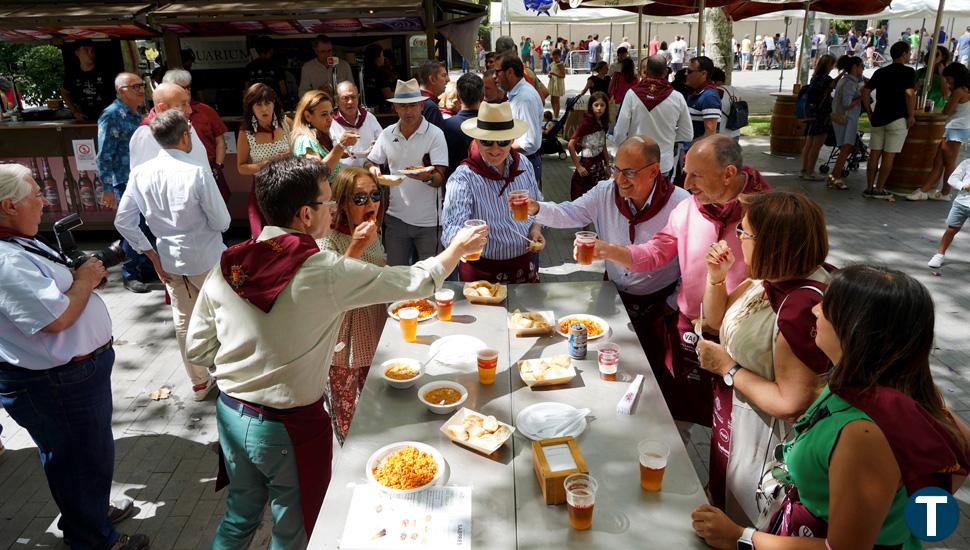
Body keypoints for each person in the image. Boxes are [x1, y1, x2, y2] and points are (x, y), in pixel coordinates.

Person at [186, 155, 488, 549]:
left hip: (230, 413)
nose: (334, 209)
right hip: (286, 426)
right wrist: (457, 249)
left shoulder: (229, 263)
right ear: (305, 214)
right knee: (295, 529)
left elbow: (198, 347)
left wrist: (248, 362)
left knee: (239, 517)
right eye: (328, 203)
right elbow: (412, 280)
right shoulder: (321, 269)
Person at [693, 265, 970, 550]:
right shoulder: (895, 389)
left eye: (826, 307)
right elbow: (960, 451)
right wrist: (901, 514)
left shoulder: (862, 433)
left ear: (856, 330)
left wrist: (739, 537)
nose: (814, 311)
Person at [0, 164, 150, 550]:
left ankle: (88, 514)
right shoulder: (6, 260)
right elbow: (58, 318)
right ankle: (94, 539)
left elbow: (55, 290)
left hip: (69, 377)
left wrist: (80, 275)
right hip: (56, 382)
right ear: (7, 205)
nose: (43, 201)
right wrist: (82, 281)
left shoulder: (18, 240)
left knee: (84, 457)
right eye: (34, 194)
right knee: (80, 461)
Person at [588, 135, 771, 431]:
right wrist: (611, 250)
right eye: (685, 172)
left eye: (696, 175)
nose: (686, 184)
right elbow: (657, 251)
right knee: (677, 418)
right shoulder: (689, 208)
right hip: (691, 330)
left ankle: (722, 476)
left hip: (744, 339)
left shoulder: (765, 213)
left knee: (735, 426)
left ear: (729, 174)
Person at [697, 191, 831, 524]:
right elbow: (715, 323)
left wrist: (728, 368)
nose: (737, 239)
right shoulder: (766, 278)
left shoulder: (801, 307)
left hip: (766, 442)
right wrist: (716, 277)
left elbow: (794, 401)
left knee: (746, 522)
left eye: (743, 232)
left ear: (773, 243)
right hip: (736, 419)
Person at [531, 136, 690, 376]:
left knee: (654, 371)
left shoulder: (680, 202)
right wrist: (536, 209)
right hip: (613, 296)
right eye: (615, 169)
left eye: (628, 172)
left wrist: (673, 302)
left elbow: (689, 263)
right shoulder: (605, 192)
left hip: (660, 304)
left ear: (654, 171)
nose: (619, 180)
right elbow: (570, 213)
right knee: (608, 362)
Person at [114, 110, 229, 401]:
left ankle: (199, 382)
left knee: (184, 321)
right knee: (226, 316)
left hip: (170, 259)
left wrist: (151, 255)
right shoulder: (196, 171)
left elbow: (123, 221)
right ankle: (228, 374)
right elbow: (222, 222)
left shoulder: (141, 173)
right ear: (185, 136)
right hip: (206, 256)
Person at [316, 166, 386, 443]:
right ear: (343, 203)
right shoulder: (328, 239)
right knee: (347, 411)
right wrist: (355, 246)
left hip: (375, 326)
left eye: (375, 195)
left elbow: (377, 266)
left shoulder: (372, 229)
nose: (370, 204)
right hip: (344, 337)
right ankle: (348, 461)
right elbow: (334, 289)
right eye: (359, 198)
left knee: (375, 400)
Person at [441, 102, 544, 283]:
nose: (495, 149)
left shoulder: (525, 165)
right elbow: (451, 229)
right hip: (482, 270)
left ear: (512, 140)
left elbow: (538, 206)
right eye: (487, 141)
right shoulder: (463, 178)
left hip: (523, 263)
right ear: (476, 140)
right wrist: (460, 244)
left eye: (503, 141)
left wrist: (536, 230)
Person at [365, 79, 448, 266]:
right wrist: (374, 171)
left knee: (430, 278)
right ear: (396, 108)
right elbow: (370, 160)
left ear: (421, 106)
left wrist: (425, 176)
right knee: (395, 277)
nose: (408, 111)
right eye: (403, 106)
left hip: (429, 222)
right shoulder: (387, 134)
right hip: (395, 219)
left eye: (412, 106)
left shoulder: (435, 135)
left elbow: (440, 177)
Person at [95, 72, 156, 294]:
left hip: (143, 179)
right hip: (124, 181)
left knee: (147, 225)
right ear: (122, 90)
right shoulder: (111, 115)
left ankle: (147, 266)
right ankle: (130, 272)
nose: (142, 89)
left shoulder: (136, 113)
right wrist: (107, 189)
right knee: (132, 227)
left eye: (142, 85)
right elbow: (103, 155)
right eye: (136, 86)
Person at [613, 56, 693, 178]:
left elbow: (619, 133)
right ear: (666, 72)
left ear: (646, 71)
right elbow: (687, 134)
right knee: (660, 196)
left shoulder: (632, 94)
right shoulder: (677, 98)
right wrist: (669, 138)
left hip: (635, 160)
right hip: (663, 162)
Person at [161, 69, 231, 205]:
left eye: (188, 87)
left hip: (210, 169)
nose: (186, 91)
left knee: (219, 209)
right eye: (182, 88)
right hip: (179, 173)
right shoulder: (163, 116)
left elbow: (220, 140)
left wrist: (218, 165)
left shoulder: (206, 111)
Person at [862, 41, 916, 200]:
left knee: (874, 154)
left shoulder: (880, 72)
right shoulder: (908, 72)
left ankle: (869, 187)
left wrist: (869, 111)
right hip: (898, 118)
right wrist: (911, 115)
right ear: (904, 54)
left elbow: (865, 91)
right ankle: (879, 189)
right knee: (888, 156)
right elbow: (910, 94)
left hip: (879, 117)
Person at [236, 83, 291, 239]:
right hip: (262, 190)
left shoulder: (286, 123)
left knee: (290, 237)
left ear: (274, 104)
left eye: (268, 103)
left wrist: (292, 154)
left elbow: (300, 150)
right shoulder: (246, 132)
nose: (264, 109)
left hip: (289, 187)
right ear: (251, 107)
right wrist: (262, 164)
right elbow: (241, 167)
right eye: (258, 104)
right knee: (264, 239)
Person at [911, 62, 970, 202]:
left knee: (948, 162)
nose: (947, 81)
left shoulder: (958, 91)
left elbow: (946, 111)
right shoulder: (965, 90)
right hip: (960, 128)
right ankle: (927, 189)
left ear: (955, 76)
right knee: (939, 161)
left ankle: (944, 192)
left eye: (948, 78)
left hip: (955, 128)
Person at [129, 83, 209, 172]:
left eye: (188, 104)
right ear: (163, 108)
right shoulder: (146, 134)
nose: (190, 110)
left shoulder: (185, 124)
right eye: (183, 104)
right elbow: (143, 178)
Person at [496, 56, 545, 185]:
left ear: (510, 72)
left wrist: (497, 148)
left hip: (525, 164)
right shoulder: (517, 94)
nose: (495, 77)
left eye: (497, 72)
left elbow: (529, 143)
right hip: (521, 162)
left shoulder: (524, 98)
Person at [291, 90, 356, 181]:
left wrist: (338, 154)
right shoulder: (305, 140)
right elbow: (319, 174)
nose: (330, 119)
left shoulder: (320, 136)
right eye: (324, 114)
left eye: (331, 113)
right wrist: (340, 147)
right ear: (308, 116)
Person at [828, 56, 865, 190]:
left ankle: (834, 176)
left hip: (843, 119)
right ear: (855, 67)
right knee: (846, 148)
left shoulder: (846, 80)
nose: (863, 69)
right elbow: (847, 104)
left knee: (846, 147)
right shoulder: (849, 83)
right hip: (847, 120)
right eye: (862, 66)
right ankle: (835, 176)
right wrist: (862, 96)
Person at [799, 54, 838, 181]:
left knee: (809, 144)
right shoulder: (826, 79)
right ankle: (810, 171)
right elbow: (833, 84)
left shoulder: (814, 77)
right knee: (816, 145)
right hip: (823, 114)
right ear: (828, 65)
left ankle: (805, 169)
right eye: (832, 64)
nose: (833, 67)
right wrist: (842, 74)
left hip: (812, 113)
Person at [330, 81, 384, 168]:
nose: (350, 101)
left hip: (369, 173)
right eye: (345, 98)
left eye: (353, 97)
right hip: (344, 177)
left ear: (358, 98)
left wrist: (377, 146)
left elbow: (383, 143)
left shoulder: (369, 117)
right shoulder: (331, 123)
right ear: (337, 100)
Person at [928, 156, 970, 268]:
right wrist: (964, 186)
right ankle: (939, 255)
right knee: (951, 229)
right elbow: (952, 179)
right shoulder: (967, 163)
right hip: (961, 203)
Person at [568, 91, 610, 200]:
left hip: (598, 166)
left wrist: (607, 165)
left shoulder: (603, 123)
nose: (599, 108)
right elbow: (570, 145)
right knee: (583, 197)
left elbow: (603, 145)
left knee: (598, 197)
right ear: (591, 107)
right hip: (587, 165)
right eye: (596, 105)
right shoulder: (586, 124)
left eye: (602, 105)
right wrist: (578, 166)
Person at [61, 40, 116, 122]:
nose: (90, 53)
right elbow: (64, 92)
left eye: (92, 50)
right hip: (84, 119)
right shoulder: (73, 74)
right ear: (77, 53)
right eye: (86, 50)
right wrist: (74, 111)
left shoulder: (107, 72)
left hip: (107, 118)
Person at [441, 73, 483, 177]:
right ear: (482, 97)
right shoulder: (494, 125)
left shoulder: (446, 126)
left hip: (454, 183)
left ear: (458, 98)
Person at [686, 56, 722, 144]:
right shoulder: (696, 92)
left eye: (689, 71)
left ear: (703, 74)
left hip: (698, 153)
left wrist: (688, 148)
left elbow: (710, 134)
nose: (686, 74)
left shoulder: (709, 97)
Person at [916, 46, 952, 113]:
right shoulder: (920, 72)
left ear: (943, 57)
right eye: (931, 53)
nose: (932, 56)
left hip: (937, 109)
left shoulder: (947, 75)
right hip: (919, 107)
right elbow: (911, 90)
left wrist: (942, 75)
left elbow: (946, 94)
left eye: (937, 54)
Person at [361, 43, 393, 109]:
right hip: (380, 109)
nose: (383, 58)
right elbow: (388, 95)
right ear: (377, 56)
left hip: (366, 107)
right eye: (382, 55)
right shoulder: (381, 73)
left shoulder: (363, 72)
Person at [417, 61, 448, 129]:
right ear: (432, 79)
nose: (448, 80)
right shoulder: (430, 107)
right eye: (443, 75)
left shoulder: (416, 98)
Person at [548, 49, 566, 119]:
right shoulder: (552, 63)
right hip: (552, 82)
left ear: (559, 56)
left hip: (558, 83)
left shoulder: (560, 65)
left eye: (556, 58)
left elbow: (563, 76)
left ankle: (556, 115)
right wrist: (550, 75)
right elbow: (551, 73)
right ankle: (554, 113)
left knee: (556, 100)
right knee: (552, 100)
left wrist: (554, 74)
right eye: (553, 57)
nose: (555, 59)